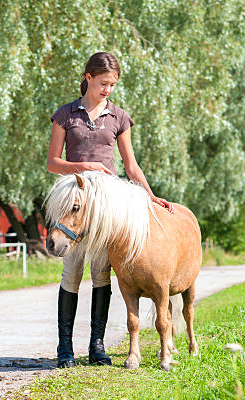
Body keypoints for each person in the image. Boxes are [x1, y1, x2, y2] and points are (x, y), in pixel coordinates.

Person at [47, 52, 174, 368]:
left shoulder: (119, 116)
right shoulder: (66, 114)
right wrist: (83, 165)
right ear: (88, 76)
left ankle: (97, 346)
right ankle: (65, 349)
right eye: (103, 83)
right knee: (72, 272)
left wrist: (150, 196)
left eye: (112, 85)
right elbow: (52, 163)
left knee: (102, 273)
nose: (108, 90)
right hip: (76, 201)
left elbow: (130, 165)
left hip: (107, 207)